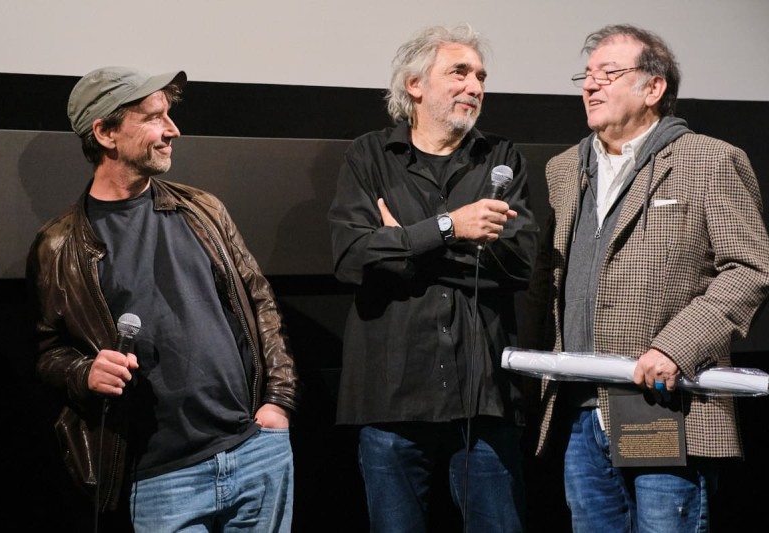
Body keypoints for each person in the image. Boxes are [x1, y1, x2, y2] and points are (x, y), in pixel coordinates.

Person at [26, 66, 300, 532]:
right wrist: (84, 372)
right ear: (106, 132)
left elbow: (261, 304)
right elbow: (48, 352)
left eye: (168, 116)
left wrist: (278, 401)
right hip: (161, 478)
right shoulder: (60, 245)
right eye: (154, 118)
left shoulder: (203, 210)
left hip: (255, 452)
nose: (172, 130)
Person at [522, 24, 769, 532]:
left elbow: (749, 268)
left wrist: (676, 347)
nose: (590, 86)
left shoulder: (710, 161)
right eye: (585, 76)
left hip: (663, 406)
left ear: (653, 89)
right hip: (580, 411)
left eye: (608, 73)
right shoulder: (565, 169)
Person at [328, 23, 539, 532]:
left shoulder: (502, 159)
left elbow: (519, 264)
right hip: (391, 397)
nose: (475, 86)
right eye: (460, 73)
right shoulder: (370, 156)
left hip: (483, 400)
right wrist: (453, 228)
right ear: (415, 86)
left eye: (481, 76)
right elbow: (352, 257)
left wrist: (409, 243)